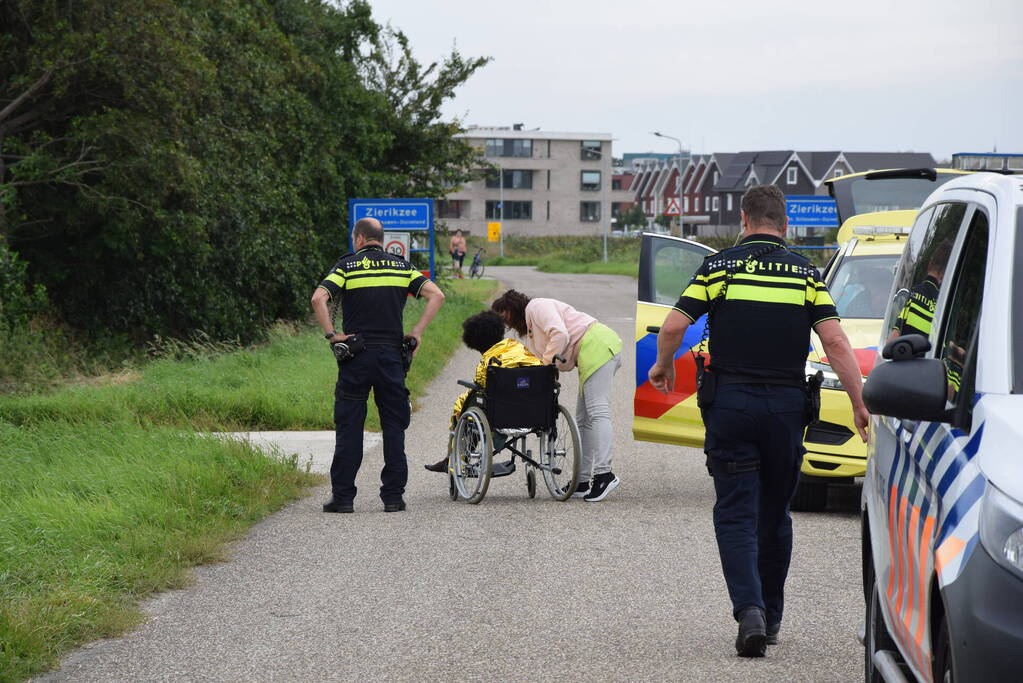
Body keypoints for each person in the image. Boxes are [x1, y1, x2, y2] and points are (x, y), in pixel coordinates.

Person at [647, 185, 869, 657]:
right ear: (784, 224)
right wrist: (859, 403)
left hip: (731, 406)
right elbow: (836, 344)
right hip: (786, 409)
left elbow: (671, 325)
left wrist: (663, 365)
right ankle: (770, 617)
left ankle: (748, 611)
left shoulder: (719, 266)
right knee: (774, 514)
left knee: (735, 511)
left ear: (745, 221)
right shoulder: (806, 273)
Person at [311, 217, 445, 513]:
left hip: (355, 355)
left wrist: (333, 336)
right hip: (391, 357)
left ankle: (343, 498)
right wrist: (417, 331)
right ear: (380, 240)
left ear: (359, 238)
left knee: (350, 427)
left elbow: (318, 298)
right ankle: (393, 497)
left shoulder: (346, 266)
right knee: (394, 427)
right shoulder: (402, 266)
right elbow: (437, 295)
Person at [491, 290, 623, 501]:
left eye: (505, 317)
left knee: (597, 412)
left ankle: (604, 474)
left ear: (512, 308)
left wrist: (546, 365)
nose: (508, 324)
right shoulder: (531, 327)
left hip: (597, 344)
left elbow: (560, 334)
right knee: (583, 421)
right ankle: (582, 480)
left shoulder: (537, 307)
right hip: (590, 351)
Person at [424, 310, 542, 473]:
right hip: (533, 412)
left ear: (476, 344)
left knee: (465, 403)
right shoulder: (520, 348)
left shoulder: (489, 361)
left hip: (499, 414)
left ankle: (456, 458)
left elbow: (480, 386)